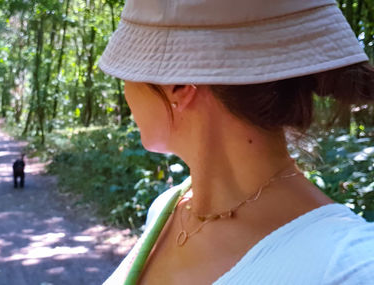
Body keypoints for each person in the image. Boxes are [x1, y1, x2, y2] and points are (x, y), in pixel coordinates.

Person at [98, 0, 374, 284]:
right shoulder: (167, 209)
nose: (125, 88)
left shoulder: (353, 268)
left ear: (177, 85)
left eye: (125, 73)